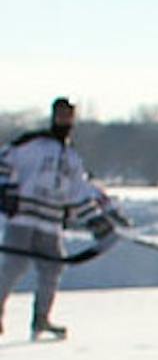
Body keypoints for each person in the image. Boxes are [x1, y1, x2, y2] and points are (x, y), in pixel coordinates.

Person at [0, 97, 122, 342]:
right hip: (23, 219)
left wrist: (94, 221)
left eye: (69, 115)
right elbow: (4, 160)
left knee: (53, 268)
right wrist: (6, 190)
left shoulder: (72, 159)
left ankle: (41, 319)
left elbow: (77, 193)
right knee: (14, 267)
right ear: (53, 115)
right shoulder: (32, 144)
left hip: (50, 223)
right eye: (61, 114)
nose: (65, 119)